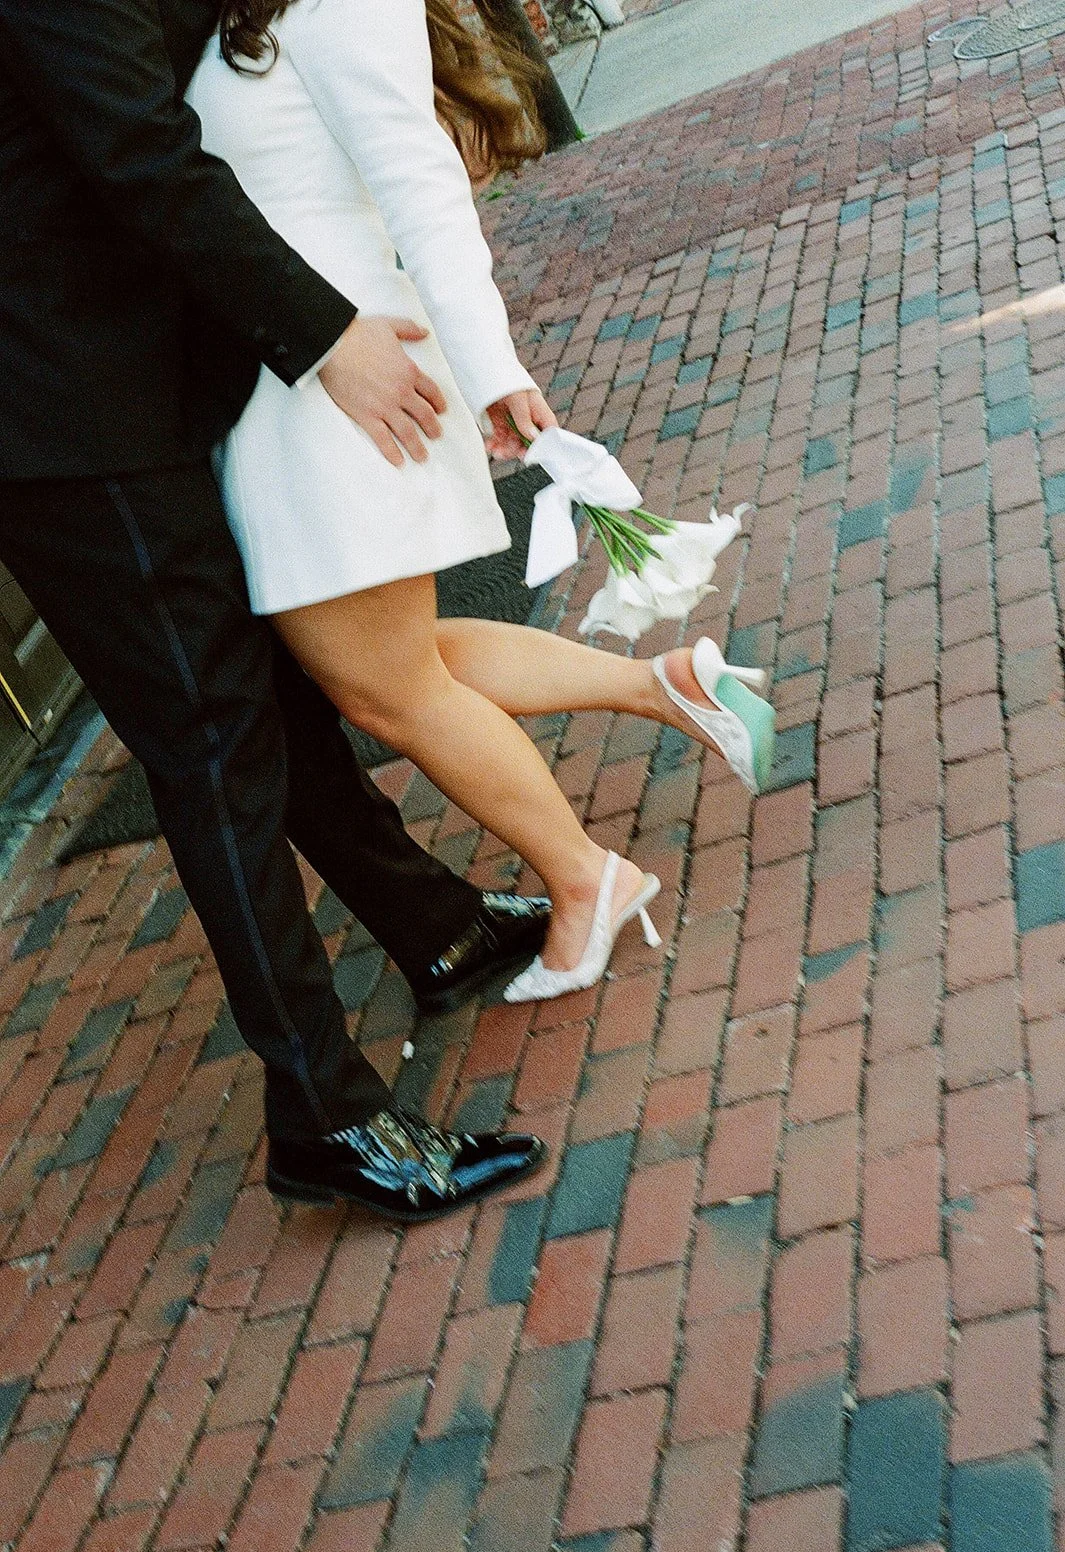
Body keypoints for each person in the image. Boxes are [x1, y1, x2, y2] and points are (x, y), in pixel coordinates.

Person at [0, 0, 550, 1219]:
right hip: (61, 404)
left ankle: (436, 924)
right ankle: (325, 1117)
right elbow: (141, 152)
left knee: (262, 693)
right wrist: (325, 337)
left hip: (128, 372)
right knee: (211, 740)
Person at [186, 0, 777, 1007]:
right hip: (292, 383)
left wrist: (492, 365)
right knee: (393, 665)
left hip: (349, 378)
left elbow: (420, 183)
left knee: (380, 688)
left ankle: (588, 878)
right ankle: (669, 686)